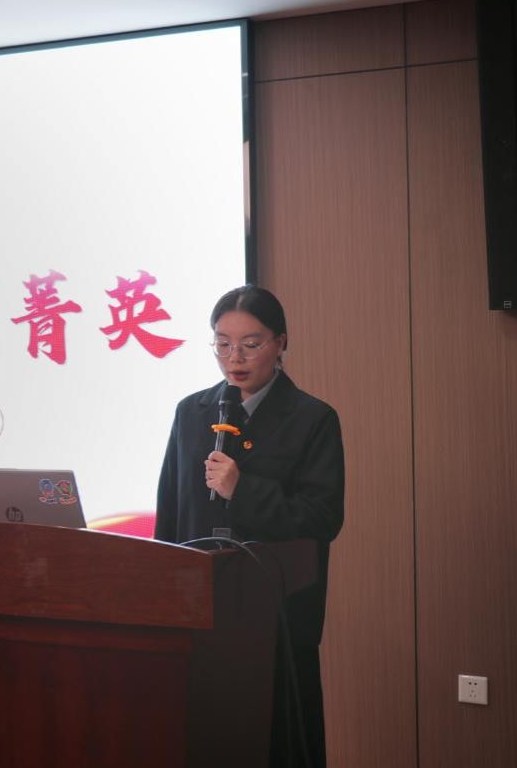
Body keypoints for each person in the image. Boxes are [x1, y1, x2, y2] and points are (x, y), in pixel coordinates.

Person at [154, 285, 344, 768]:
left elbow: (323, 517)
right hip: (199, 610)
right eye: (222, 343)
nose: (234, 358)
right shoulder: (192, 412)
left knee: (275, 741)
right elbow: (171, 511)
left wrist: (242, 490)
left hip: (276, 615)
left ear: (281, 343)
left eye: (250, 344)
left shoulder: (312, 419)